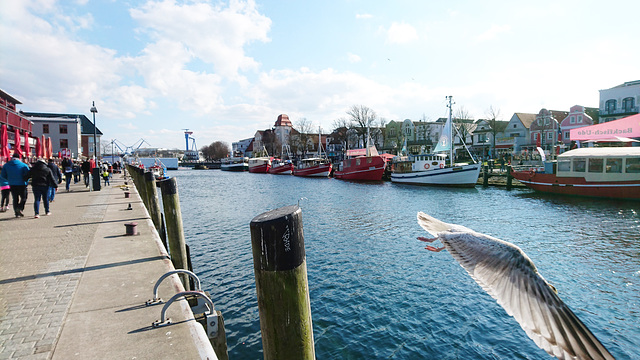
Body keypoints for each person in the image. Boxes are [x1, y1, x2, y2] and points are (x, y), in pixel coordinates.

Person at [0, 152, 30, 217]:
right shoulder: (23, 165)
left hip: (12, 184)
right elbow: (28, 175)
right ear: (19, 158)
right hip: (22, 184)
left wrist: (9, 179)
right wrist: (26, 181)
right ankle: (20, 208)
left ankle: (16, 213)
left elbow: (2, 175)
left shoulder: (6, 165)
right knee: (24, 198)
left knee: (15, 198)